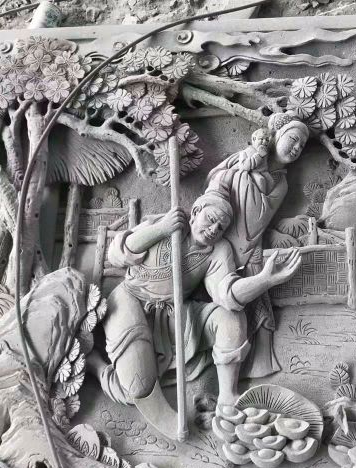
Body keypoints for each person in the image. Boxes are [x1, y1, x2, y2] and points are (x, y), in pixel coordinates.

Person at [90, 191, 302, 438]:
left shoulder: (218, 250)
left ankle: (227, 397)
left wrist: (264, 280)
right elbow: (116, 255)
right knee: (136, 390)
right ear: (195, 213)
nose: (214, 229)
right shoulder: (165, 221)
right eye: (210, 219)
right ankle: (96, 366)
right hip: (130, 301)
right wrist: (162, 229)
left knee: (230, 317)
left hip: (174, 315)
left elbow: (226, 294)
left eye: (221, 227)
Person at [206, 113, 310, 379]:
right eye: (293, 139)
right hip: (221, 240)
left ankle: (261, 362)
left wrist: (253, 181)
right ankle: (228, 364)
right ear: (276, 136)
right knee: (228, 304)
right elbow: (217, 182)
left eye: (301, 146)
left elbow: (261, 215)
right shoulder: (245, 157)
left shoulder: (281, 183)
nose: (296, 148)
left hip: (252, 246)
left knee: (259, 297)